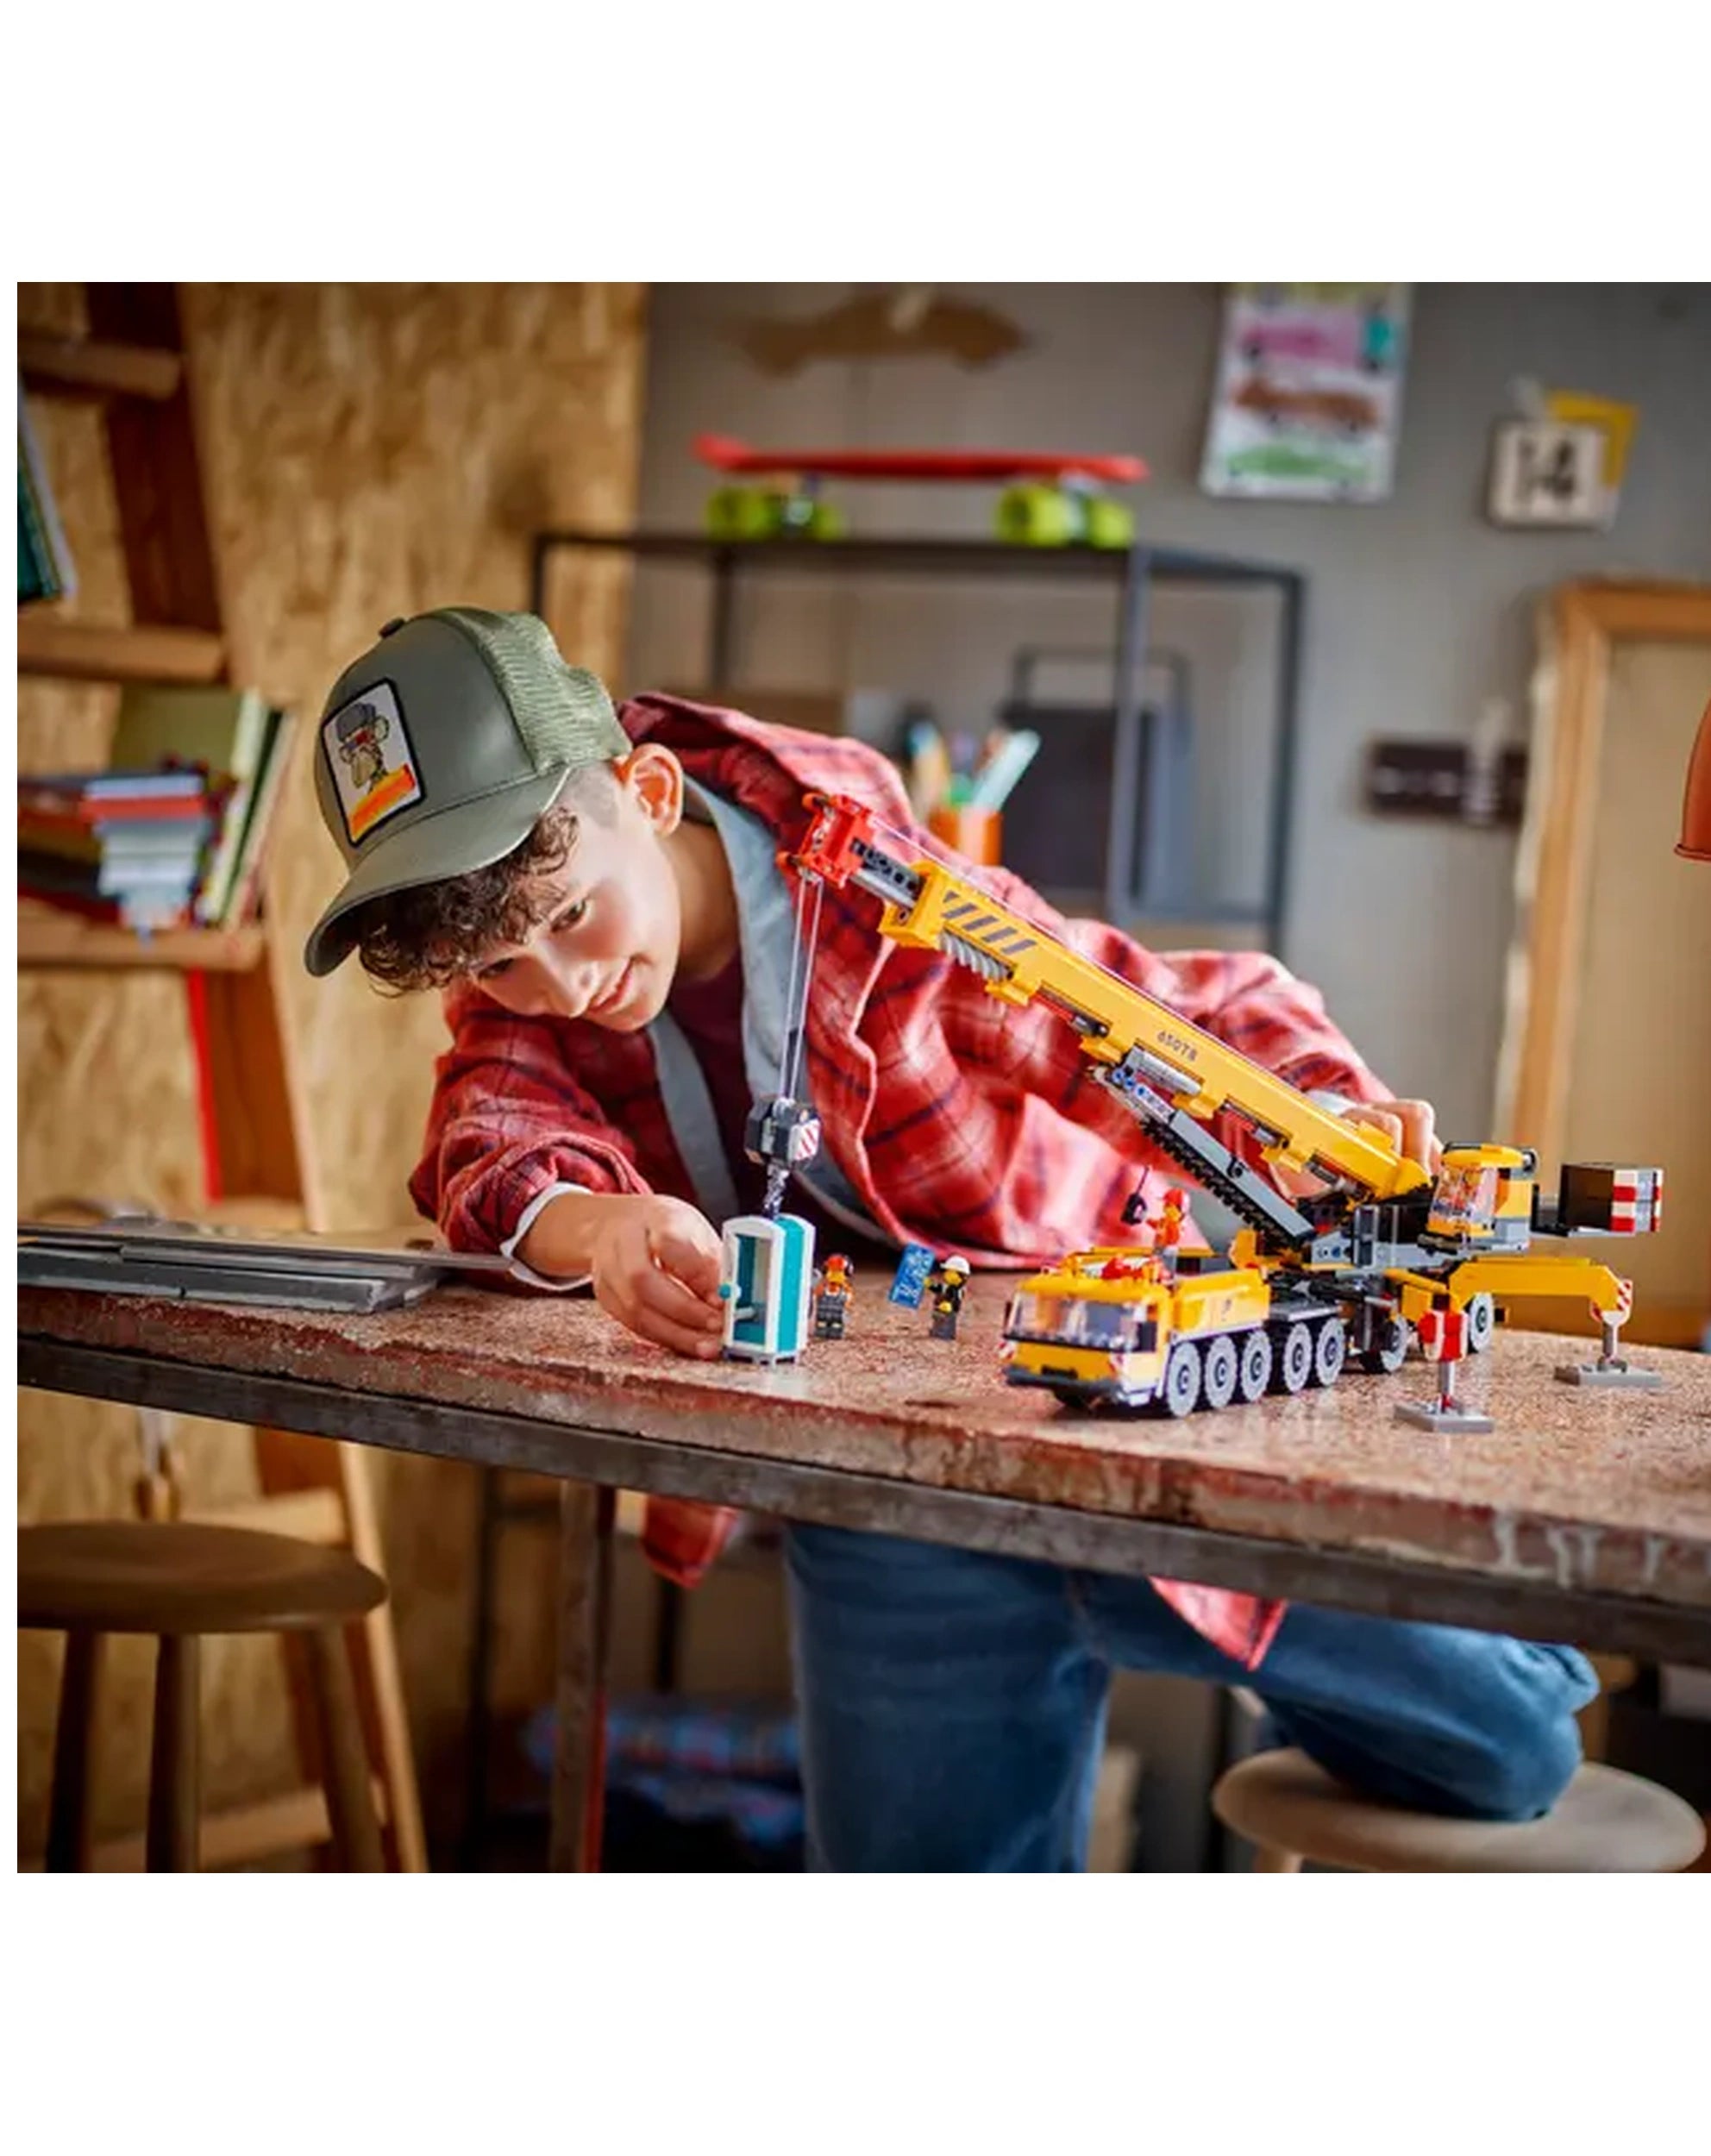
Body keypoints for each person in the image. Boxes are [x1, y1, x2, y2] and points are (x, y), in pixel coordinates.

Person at [303, 607, 1595, 1870]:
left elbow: (1142, 1015)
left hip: (1122, 1429)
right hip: (892, 1504)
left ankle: (1397, 1648)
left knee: (1514, 1751)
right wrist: (598, 1227)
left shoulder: (888, 905)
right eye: (506, 970)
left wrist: (1326, 1120)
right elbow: (489, 1122)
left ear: (646, 791)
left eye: (576, 917)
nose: (566, 985)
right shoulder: (525, 991)